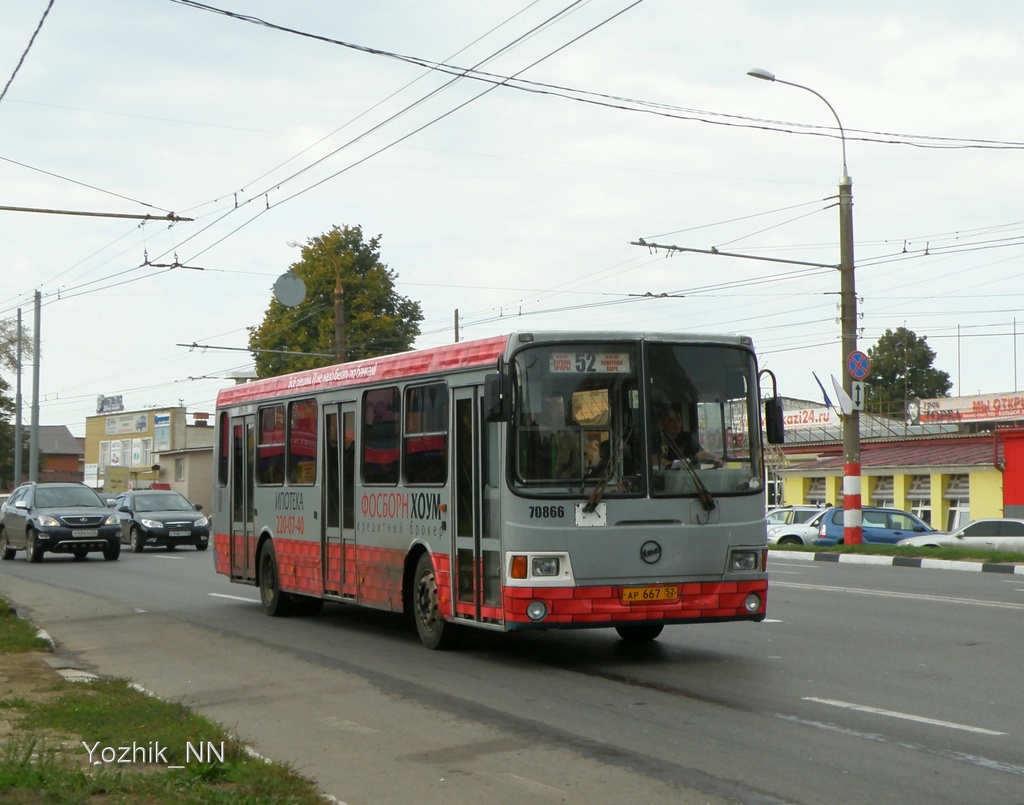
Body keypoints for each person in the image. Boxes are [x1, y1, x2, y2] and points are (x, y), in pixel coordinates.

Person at [655, 405, 723, 469]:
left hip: (688, 477)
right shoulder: (657, 438)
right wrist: (670, 465)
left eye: (678, 420)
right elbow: (652, 458)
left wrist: (714, 458)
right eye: (672, 421)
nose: (676, 424)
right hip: (666, 478)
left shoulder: (687, 437)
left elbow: (698, 453)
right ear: (663, 422)